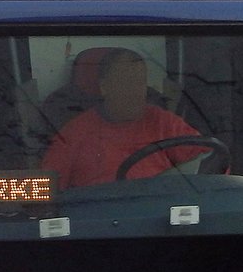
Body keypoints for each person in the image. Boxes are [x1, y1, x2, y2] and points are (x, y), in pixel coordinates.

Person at [42, 48, 209, 189]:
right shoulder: (74, 133)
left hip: (160, 218)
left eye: (140, 82)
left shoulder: (163, 122)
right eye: (126, 83)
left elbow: (211, 163)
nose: (136, 92)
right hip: (100, 220)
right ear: (104, 87)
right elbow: (46, 189)